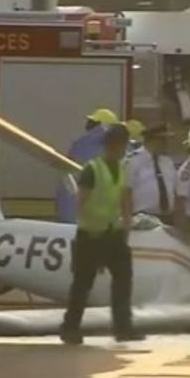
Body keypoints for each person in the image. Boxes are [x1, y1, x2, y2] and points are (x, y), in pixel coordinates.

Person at [60, 124, 143, 345]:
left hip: (113, 234)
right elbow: (81, 200)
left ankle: (123, 327)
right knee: (82, 284)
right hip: (91, 235)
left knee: (123, 279)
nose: (124, 150)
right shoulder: (92, 169)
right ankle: (70, 328)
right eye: (123, 145)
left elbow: (125, 195)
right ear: (114, 145)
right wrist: (86, 221)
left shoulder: (121, 169)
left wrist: (126, 221)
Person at [55, 108, 119, 223]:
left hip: (72, 205)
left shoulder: (81, 143)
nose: (88, 124)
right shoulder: (115, 148)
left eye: (92, 122)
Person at [125, 123, 177, 223]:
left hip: (167, 218)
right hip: (143, 218)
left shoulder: (167, 162)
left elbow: (175, 190)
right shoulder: (134, 161)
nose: (166, 143)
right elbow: (127, 193)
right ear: (153, 140)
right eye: (163, 140)